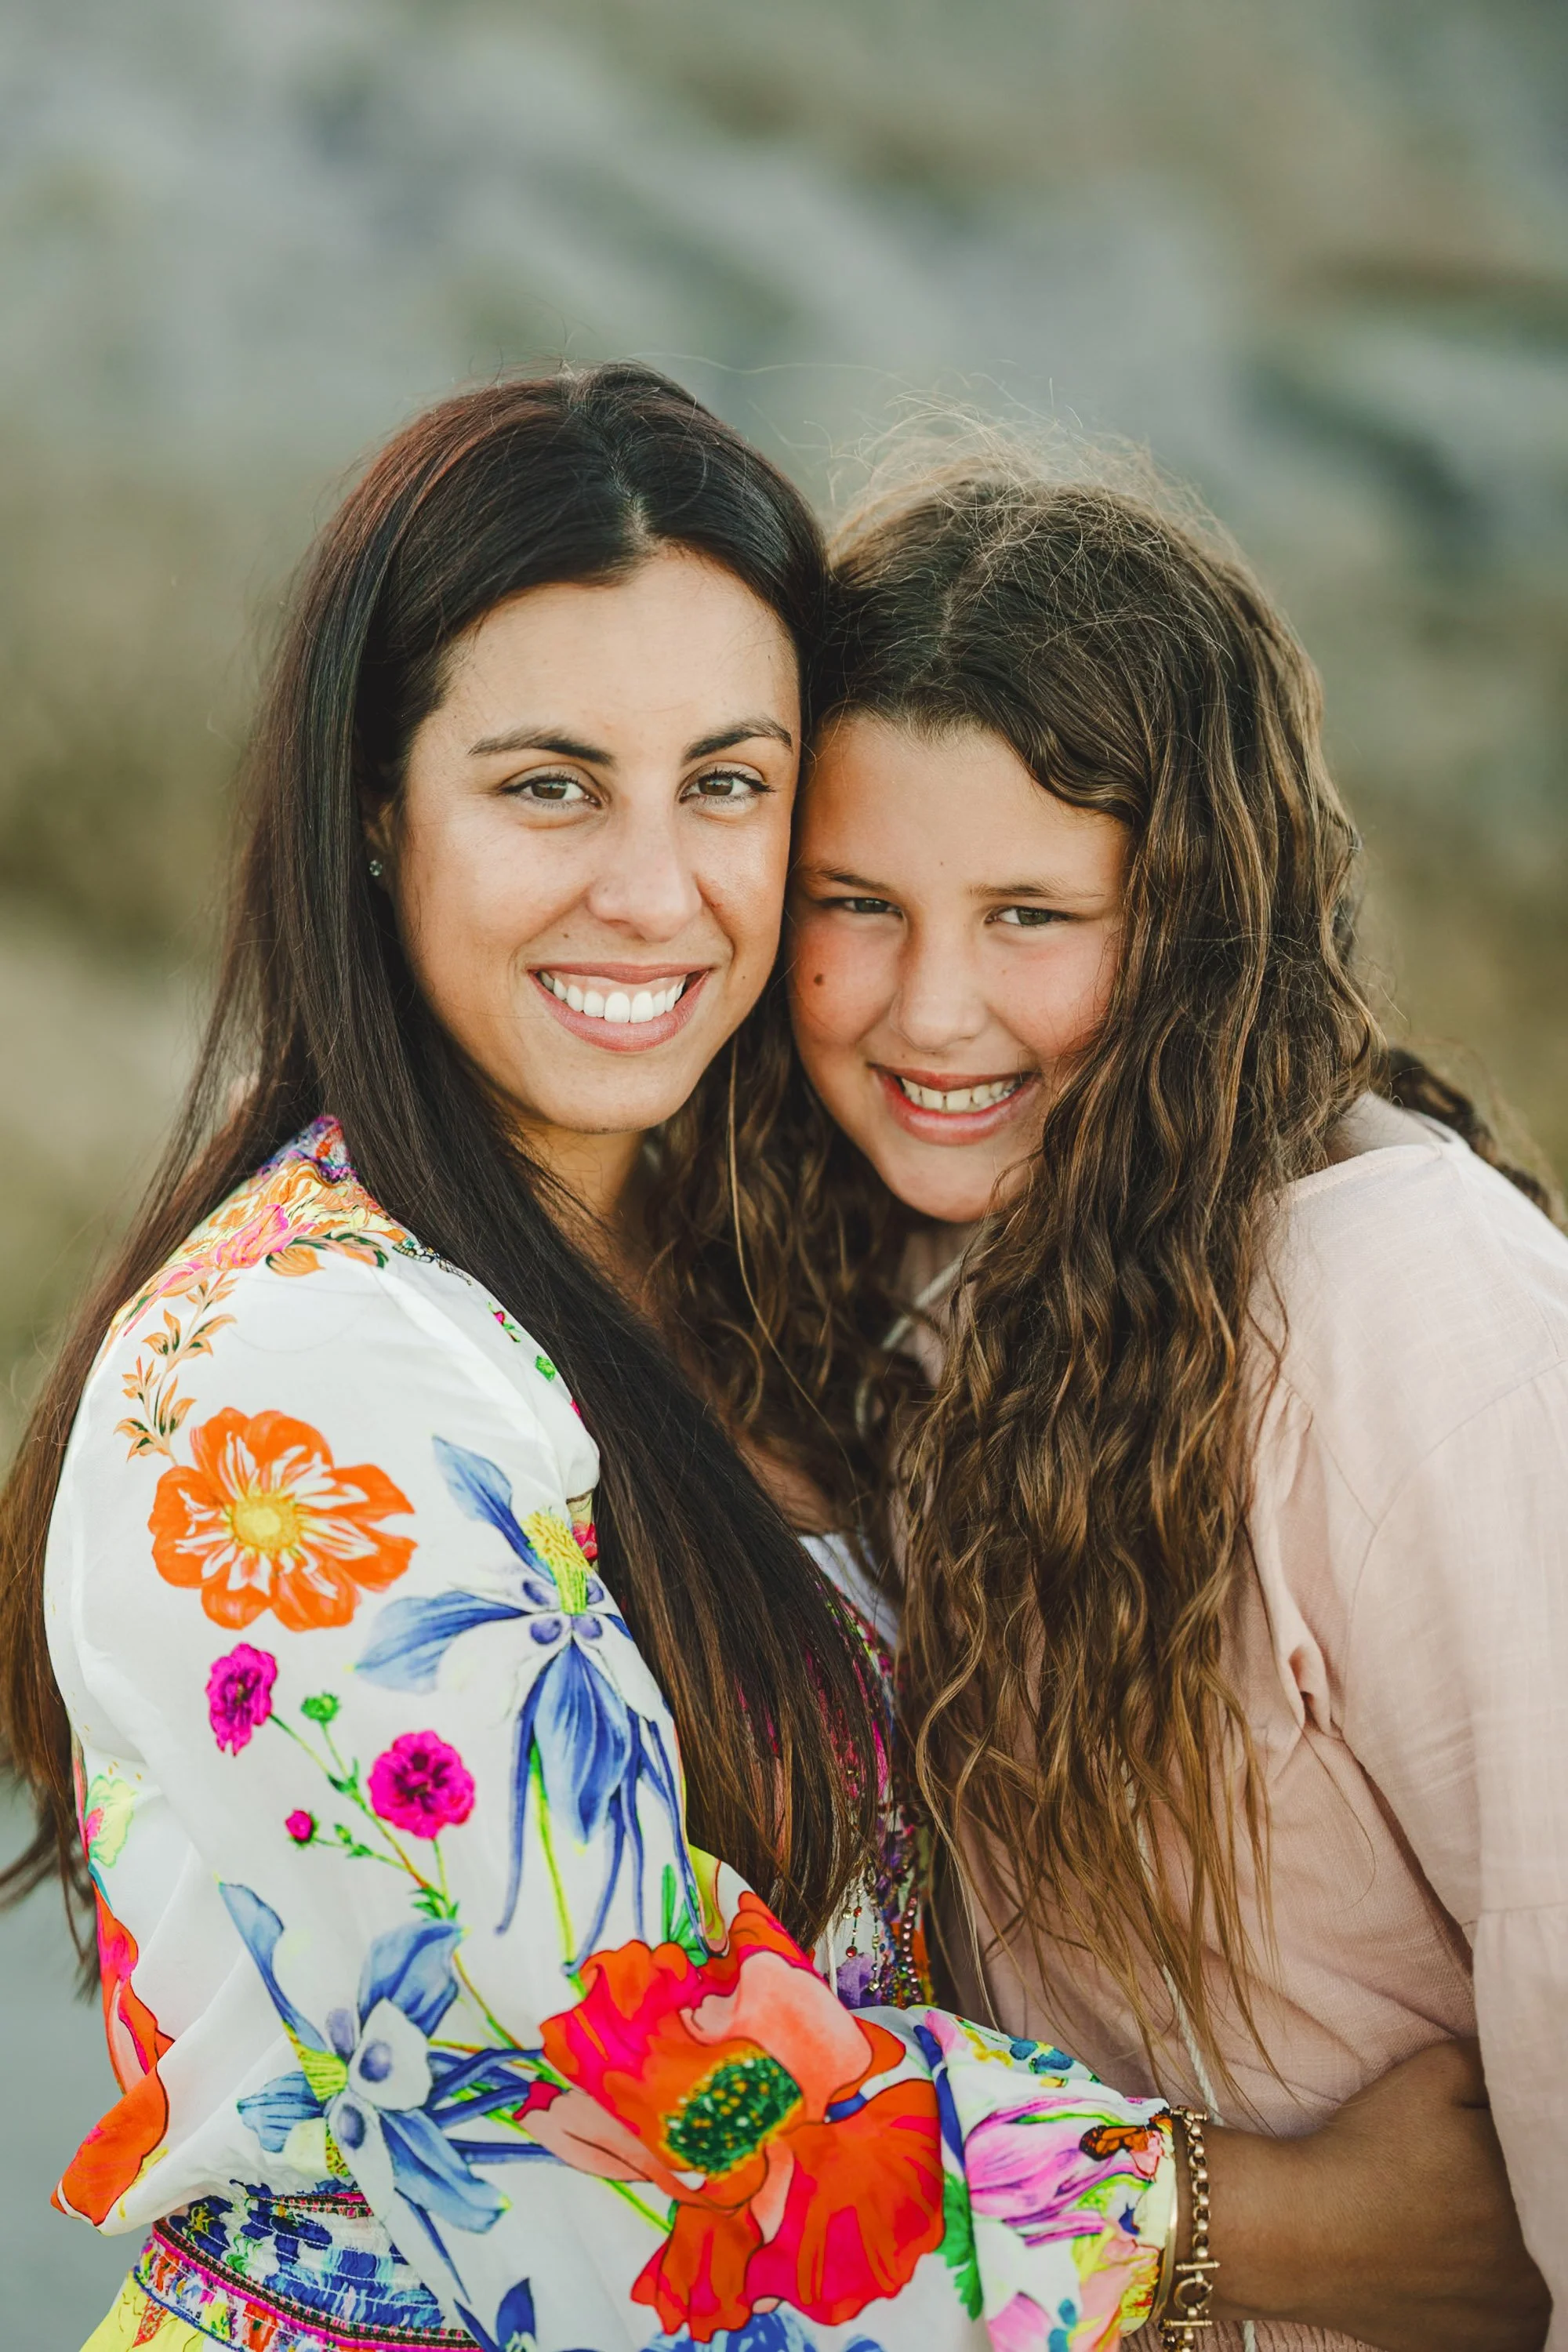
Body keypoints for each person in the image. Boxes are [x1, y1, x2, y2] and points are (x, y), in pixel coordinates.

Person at [0, 372, 1190, 2352]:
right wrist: (1277, 2220)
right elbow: (667, 2129)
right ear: (377, 811)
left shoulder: (746, 1256)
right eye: (550, 784)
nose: (654, 890)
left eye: (726, 785)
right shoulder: (288, 1383)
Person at [648, 455, 1562, 2347]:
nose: (930, 1012)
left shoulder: (1410, 1308)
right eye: (856, 902)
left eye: (1032, 914)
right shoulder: (871, 1282)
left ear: (1198, 931)